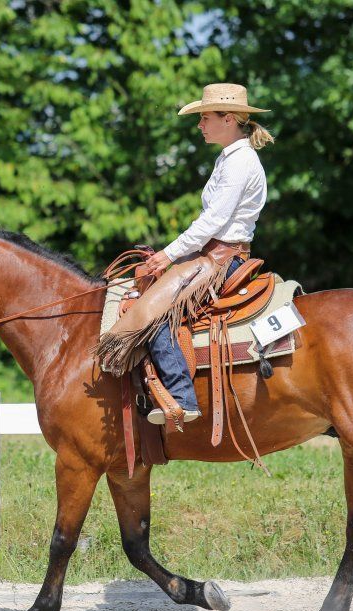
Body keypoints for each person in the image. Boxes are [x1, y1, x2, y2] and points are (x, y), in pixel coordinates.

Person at [95, 83, 274, 425]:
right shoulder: (231, 158)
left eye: (206, 117)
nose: (200, 125)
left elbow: (215, 220)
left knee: (156, 310)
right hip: (211, 255)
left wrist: (167, 254)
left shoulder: (240, 162)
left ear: (230, 118)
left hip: (221, 260)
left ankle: (182, 396)